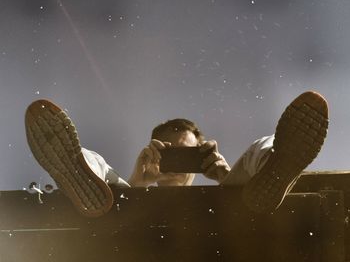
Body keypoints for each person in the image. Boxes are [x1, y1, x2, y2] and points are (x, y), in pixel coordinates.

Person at [24, 91, 329, 217]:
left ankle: (276, 165)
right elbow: (125, 197)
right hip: (127, 214)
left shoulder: (223, 196)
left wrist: (224, 176)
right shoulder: (128, 191)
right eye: (168, 152)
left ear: (201, 157)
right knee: (98, 167)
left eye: (188, 153)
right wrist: (138, 180)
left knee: (261, 148)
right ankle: (78, 171)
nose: (176, 162)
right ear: (151, 153)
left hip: (231, 210)